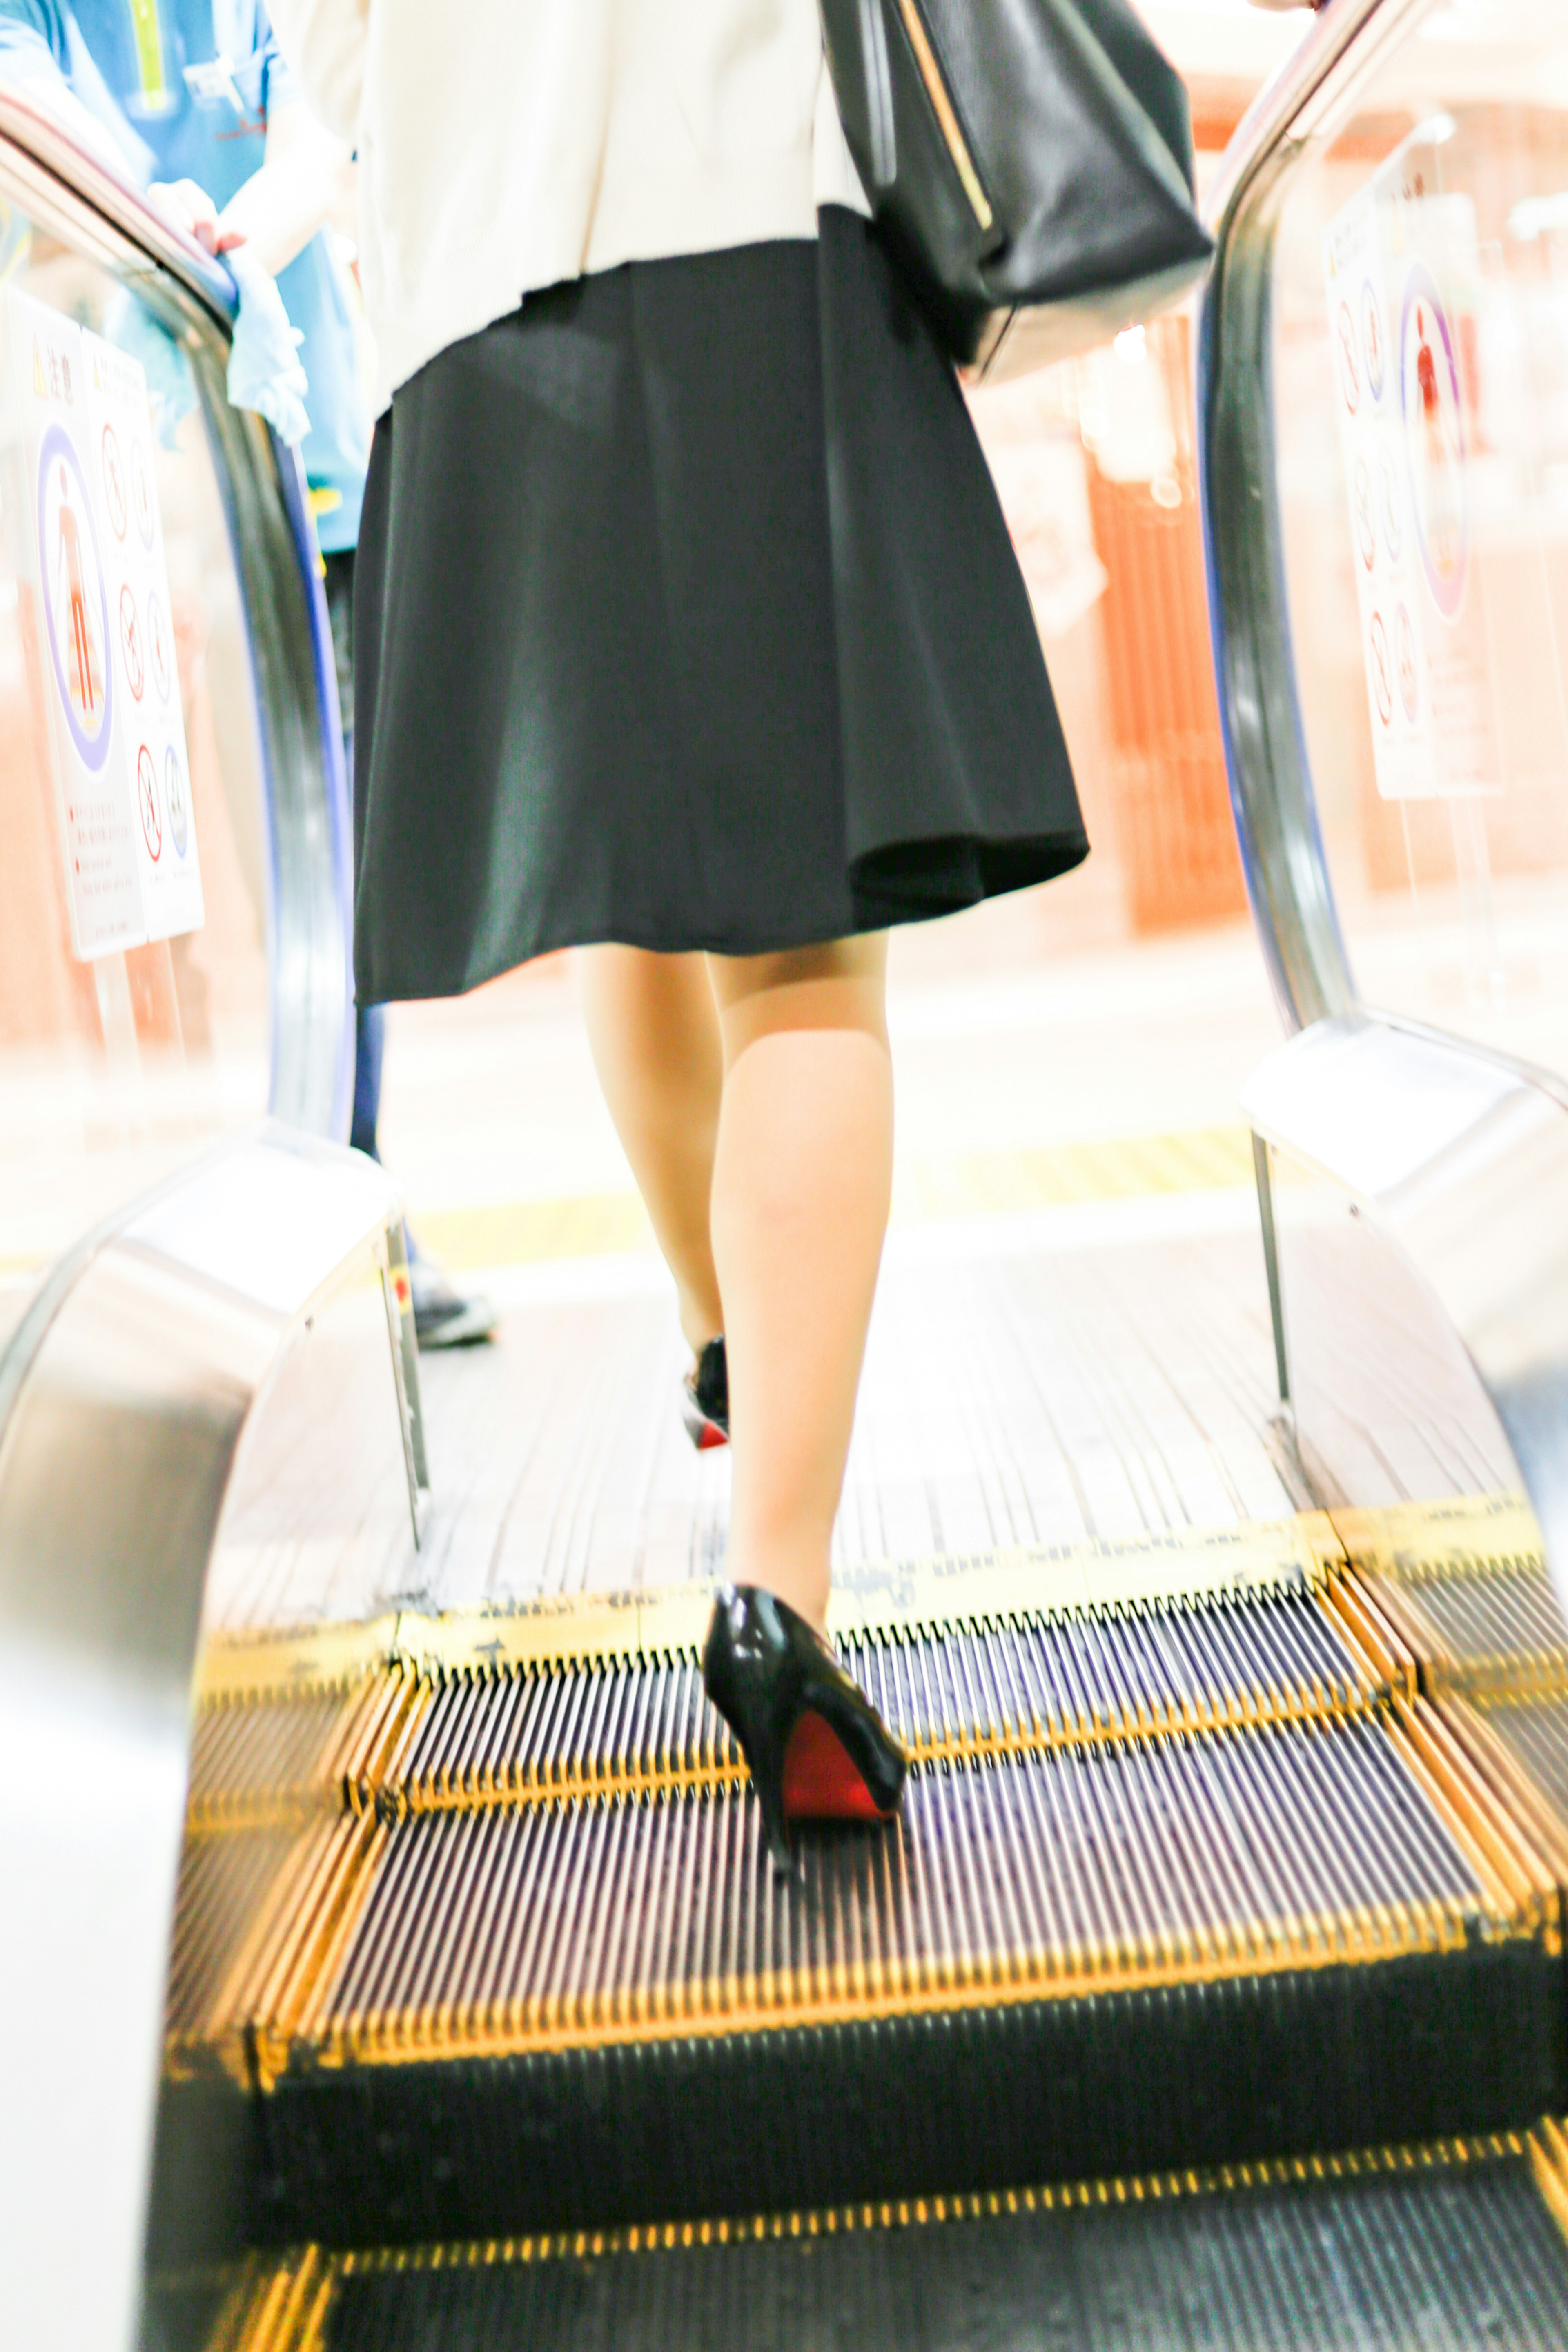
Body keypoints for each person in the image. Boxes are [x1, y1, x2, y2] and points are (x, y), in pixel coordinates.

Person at [270, 0, 1088, 1864]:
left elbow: (330, 62)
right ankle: (777, 1601)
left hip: (478, 297)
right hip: (753, 243)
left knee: (623, 893)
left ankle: (730, 1340)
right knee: (803, 953)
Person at [0, 0, 494, 1349]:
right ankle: (290, 1220)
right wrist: (140, 215)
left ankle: (361, 1214)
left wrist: (231, 237)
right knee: (188, 885)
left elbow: (326, 125)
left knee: (324, 872)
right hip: (96, 487)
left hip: (302, 453)